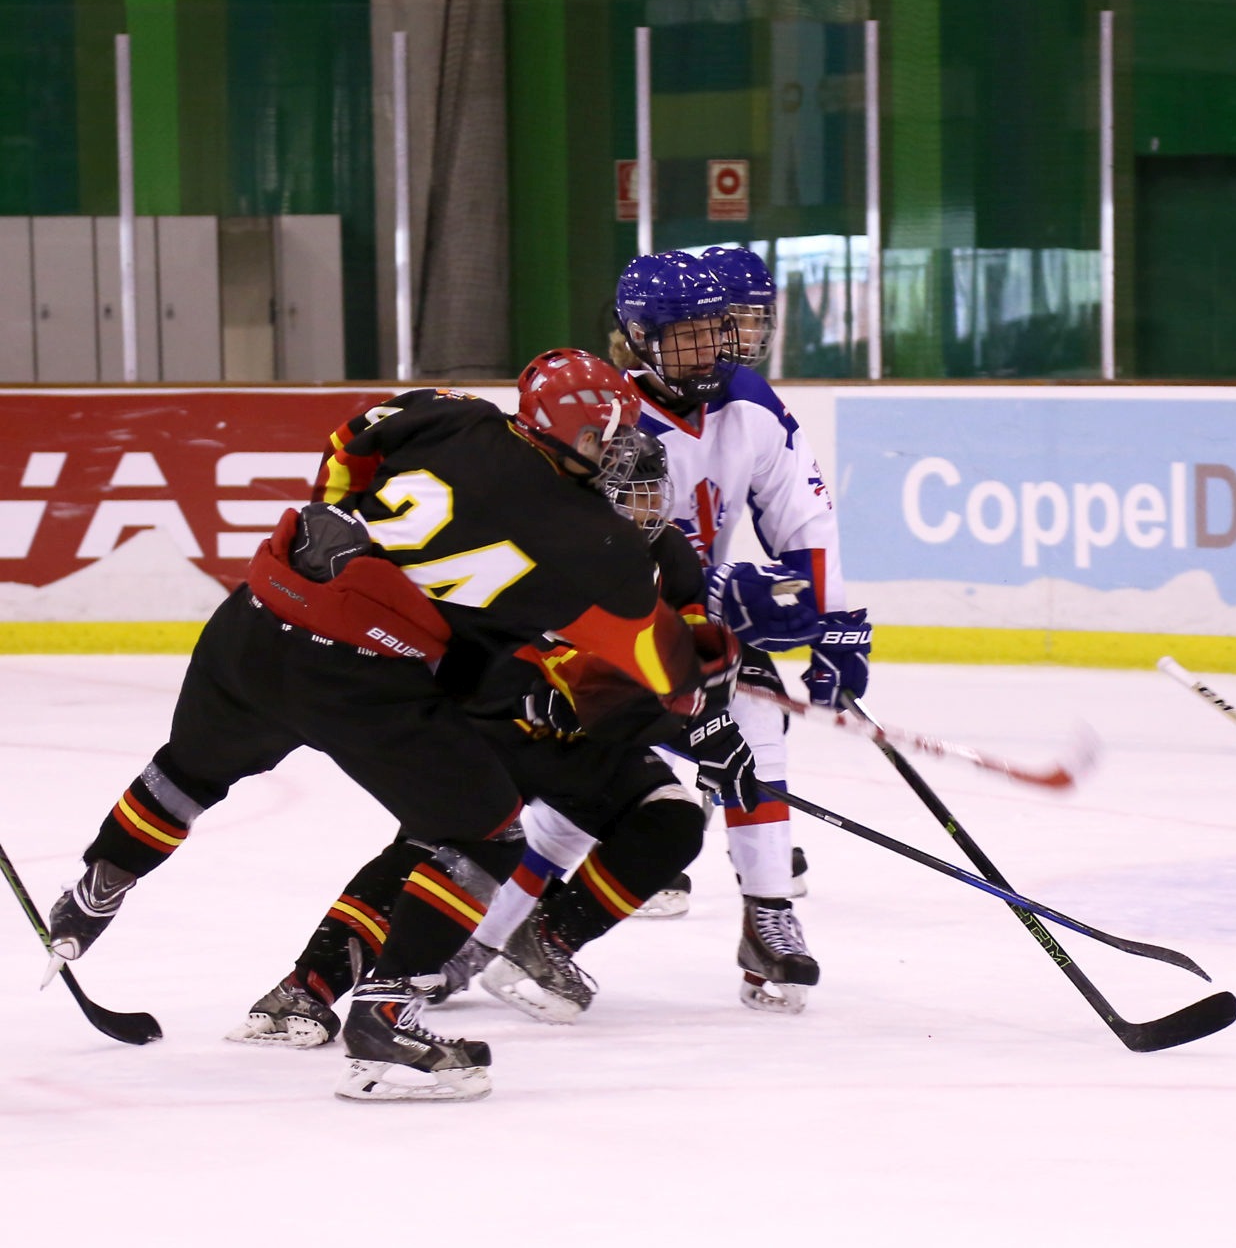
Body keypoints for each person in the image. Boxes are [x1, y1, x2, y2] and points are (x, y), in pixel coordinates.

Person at [46, 351, 745, 1101]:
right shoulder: (591, 540)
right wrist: (712, 708)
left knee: (187, 771)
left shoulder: (455, 414)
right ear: (579, 432)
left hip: (261, 609)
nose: (616, 450)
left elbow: (357, 433)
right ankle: (386, 1022)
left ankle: (94, 889)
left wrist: (341, 512)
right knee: (484, 832)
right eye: (608, 436)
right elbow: (662, 674)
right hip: (360, 669)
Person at [610, 246, 871, 1013]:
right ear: (640, 337)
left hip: (690, 624)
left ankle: (769, 916)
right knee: (554, 803)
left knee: (756, 701)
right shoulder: (609, 411)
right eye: (691, 332)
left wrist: (838, 623)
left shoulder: (749, 403)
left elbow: (808, 520)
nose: (718, 345)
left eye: (721, 327)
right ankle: (483, 932)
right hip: (590, 625)